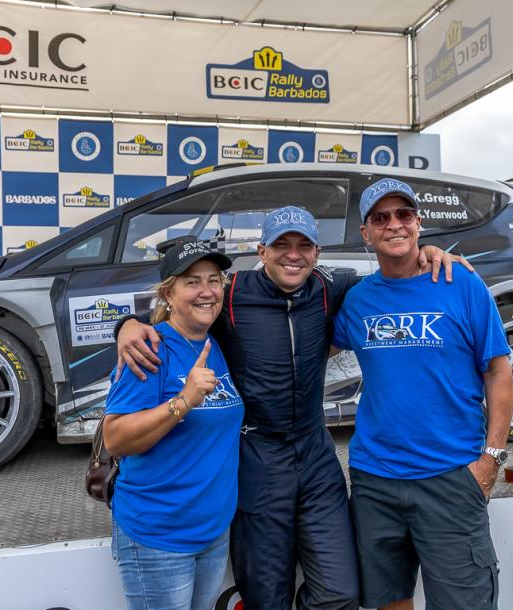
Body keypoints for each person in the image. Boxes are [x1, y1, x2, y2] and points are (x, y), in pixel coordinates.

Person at [115, 204, 472, 610]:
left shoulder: (330, 288)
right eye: (282, 244)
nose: (293, 254)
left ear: (317, 253)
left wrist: (430, 253)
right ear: (262, 250)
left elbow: (393, 276)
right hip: (259, 458)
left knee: (340, 594)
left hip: (315, 453)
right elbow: (177, 310)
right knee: (266, 599)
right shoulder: (229, 295)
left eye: (304, 245)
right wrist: (125, 325)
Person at [330, 178, 513, 610]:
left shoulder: (461, 283)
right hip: (375, 481)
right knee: (388, 602)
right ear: (366, 233)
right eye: (381, 217)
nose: (394, 225)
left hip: (451, 477)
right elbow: (298, 332)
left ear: (418, 223)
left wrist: (492, 460)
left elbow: (499, 375)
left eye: (404, 215)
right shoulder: (357, 301)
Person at [103, 237, 244, 610]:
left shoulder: (215, 342)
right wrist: (184, 401)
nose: (206, 291)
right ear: (168, 292)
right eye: (192, 281)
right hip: (159, 537)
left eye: (213, 280)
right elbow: (115, 438)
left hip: (212, 535)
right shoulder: (149, 348)